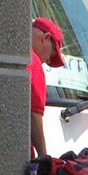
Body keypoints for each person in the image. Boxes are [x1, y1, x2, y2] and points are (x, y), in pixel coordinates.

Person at [30, 17, 65, 165]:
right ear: (45, 38)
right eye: (51, 56)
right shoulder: (33, 62)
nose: (47, 62)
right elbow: (33, 115)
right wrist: (44, 157)